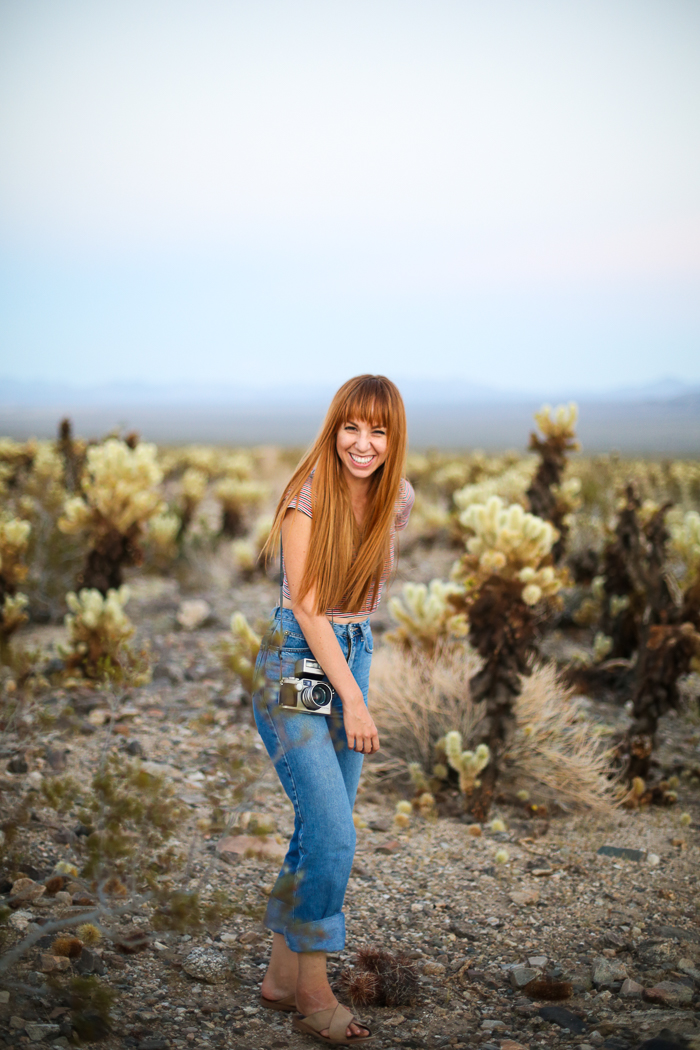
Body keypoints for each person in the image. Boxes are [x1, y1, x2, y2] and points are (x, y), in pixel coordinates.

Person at [252, 375, 414, 1045]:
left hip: (353, 648)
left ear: (392, 437)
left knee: (321, 826)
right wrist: (354, 700)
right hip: (297, 660)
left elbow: (359, 605)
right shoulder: (305, 495)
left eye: (378, 430)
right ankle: (314, 994)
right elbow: (308, 607)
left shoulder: (396, 498)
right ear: (334, 428)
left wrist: (354, 677)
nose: (363, 443)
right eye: (352, 427)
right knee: (334, 831)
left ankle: (281, 975)